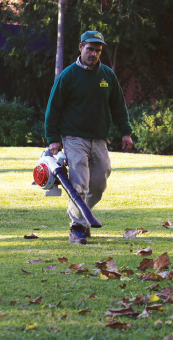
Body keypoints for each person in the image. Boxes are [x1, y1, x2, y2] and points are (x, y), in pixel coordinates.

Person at [45, 30, 133, 244]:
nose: (94, 54)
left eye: (98, 50)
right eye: (90, 49)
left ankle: (83, 218)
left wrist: (126, 132)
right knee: (79, 183)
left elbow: (118, 106)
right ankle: (76, 227)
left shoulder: (107, 75)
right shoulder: (68, 75)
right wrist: (53, 138)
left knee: (99, 184)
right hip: (74, 137)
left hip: (100, 139)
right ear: (80, 47)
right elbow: (53, 108)